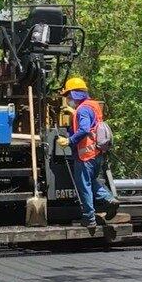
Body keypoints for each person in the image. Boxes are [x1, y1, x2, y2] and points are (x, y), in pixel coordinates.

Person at [55, 76, 118, 227]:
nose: (68, 99)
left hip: (85, 154)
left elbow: (84, 129)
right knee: (91, 182)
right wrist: (73, 112)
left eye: (69, 96)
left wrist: (69, 141)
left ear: (75, 94)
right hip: (97, 153)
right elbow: (92, 123)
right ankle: (109, 199)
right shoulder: (92, 105)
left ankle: (89, 218)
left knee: (83, 185)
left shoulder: (82, 110)